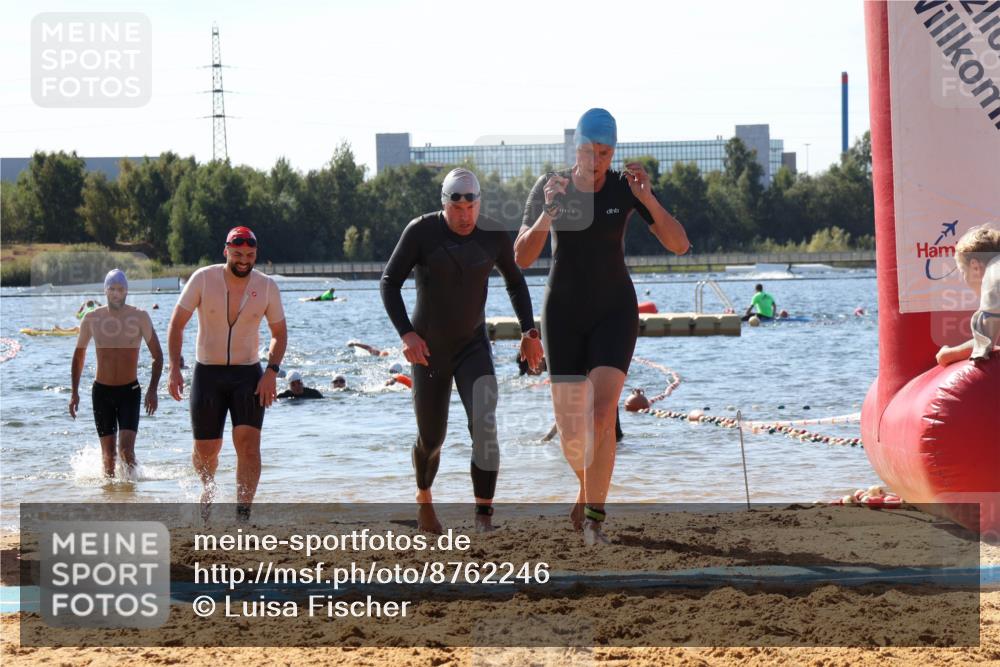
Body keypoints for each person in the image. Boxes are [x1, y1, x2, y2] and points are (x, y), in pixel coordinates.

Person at [514, 108, 690, 545]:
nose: (598, 160)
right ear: (576, 148)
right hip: (563, 314)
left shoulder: (623, 188)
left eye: (606, 151)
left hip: (614, 309)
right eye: (591, 151)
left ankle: (595, 517)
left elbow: (680, 245)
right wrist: (548, 214)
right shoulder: (549, 187)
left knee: (601, 412)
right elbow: (520, 256)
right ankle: (587, 487)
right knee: (571, 430)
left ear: (614, 151)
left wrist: (647, 198)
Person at [381, 168, 544, 533]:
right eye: (457, 206)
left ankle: (484, 517)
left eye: (471, 205)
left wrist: (529, 331)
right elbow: (389, 282)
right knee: (431, 438)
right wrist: (407, 334)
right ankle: (424, 499)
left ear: (479, 204)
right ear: (445, 204)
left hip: (473, 346)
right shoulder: (421, 232)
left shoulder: (493, 234)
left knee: (485, 426)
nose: (465, 214)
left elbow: (516, 282)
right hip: (429, 351)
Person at [166, 227, 287, 522]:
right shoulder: (203, 279)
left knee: (248, 444)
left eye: (249, 255)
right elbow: (176, 324)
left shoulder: (267, 286)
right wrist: (173, 368)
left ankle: (243, 514)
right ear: (226, 252)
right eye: (237, 254)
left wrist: (271, 371)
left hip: (249, 374)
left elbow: (279, 333)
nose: (244, 260)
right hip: (207, 373)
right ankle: (207, 486)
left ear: (255, 254)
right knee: (207, 450)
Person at [70, 269, 163, 479]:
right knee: (109, 458)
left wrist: (152, 390)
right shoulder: (92, 319)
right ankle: (111, 502)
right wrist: (74, 392)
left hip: (130, 391)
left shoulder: (140, 317)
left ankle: (132, 496)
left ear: (126, 291)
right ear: (105, 291)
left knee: (127, 452)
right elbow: (78, 357)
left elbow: (157, 356)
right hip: (102, 392)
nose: (116, 294)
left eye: (120, 289)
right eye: (112, 289)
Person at [936, 225, 1000, 365]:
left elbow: (984, 344)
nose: (965, 281)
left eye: (963, 273)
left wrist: (948, 355)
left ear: (975, 267)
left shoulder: (994, 277)